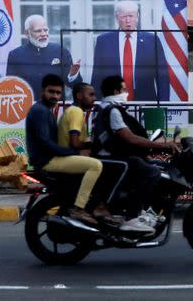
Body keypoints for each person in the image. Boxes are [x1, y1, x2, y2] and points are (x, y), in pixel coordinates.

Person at [92, 74, 170, 233]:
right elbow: (129, 138)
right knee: (151, 172)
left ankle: (143, 210)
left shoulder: (104, 108)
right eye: (124, 90)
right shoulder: (112, 110)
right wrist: (161, 146)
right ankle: (132, 217)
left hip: (109, 155)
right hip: (109, 158)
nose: (127, 94)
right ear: (115, 91)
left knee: (156, 165)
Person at [24, 74, 103, 226]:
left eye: (58, 93)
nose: (54, 96)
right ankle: (79, 208)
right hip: (47, 160)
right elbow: (45, 141)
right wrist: (71, 153)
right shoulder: (40, 111)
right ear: (42, 92)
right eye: (51, 92)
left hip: (48, 158)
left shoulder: (46, 109)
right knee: (95, 165)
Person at [57, 82, 118, 223]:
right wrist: (94, 144)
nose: (94, 98)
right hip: (70, 157)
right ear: (79, 95)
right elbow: (75, 143)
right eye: (90, 94)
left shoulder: (73, 111)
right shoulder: (76, 112)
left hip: (70, 156)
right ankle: (84, 207)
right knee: (101, 168)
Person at [90, 1, 169, 101]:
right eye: (123, 17)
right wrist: (95, 104)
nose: (128, 20)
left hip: (145, 102)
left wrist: (163, 105)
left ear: (137, 17)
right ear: (117, 18)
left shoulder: (152, 40)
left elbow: (162, 77)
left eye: (131, 16)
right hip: (112, 101)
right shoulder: (103, 40)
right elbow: (97, 76)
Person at [5, 15, 81, 97]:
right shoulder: (15, 55)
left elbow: (77, 86)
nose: (43, 34)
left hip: (55, 106)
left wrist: (73, 75)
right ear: (27, 33)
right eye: (38, 31)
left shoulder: (61, 51)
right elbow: (10, 88)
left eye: (45, 30)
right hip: (28, 106)